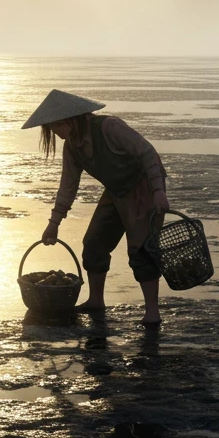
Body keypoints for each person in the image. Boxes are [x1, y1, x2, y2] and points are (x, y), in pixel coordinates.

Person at [22, 89, 170, 325]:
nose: (57, 135)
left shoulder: (109, 128)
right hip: (115, 192)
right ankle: (96, 299)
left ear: (69, 121)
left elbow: (147, 153)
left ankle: (153, 311)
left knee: (141, 251)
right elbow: (67, 187)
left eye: (56, 128)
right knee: (94, 243)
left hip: (143, 189)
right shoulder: (72, 146)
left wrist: (158, 190)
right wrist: (54, 223)